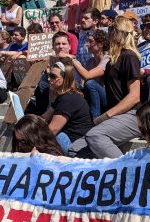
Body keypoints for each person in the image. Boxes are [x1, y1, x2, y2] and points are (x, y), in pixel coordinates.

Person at [68, 16, 142, 158]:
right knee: (74, 149)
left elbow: (134, 97)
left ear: (121, 33)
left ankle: (123, 170)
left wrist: (105, 116)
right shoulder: (113, 59)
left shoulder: (129, 56)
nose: (110, 33)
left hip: (132, 115)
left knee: (95, 136)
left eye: (112, 29)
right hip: (116, 116)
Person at [41, 61, 93, 153]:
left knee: (55, 136)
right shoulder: (62, 97)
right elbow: (43, 118)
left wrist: (31, 141)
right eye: (49, 75)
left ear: (65, 78)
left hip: (76, 147)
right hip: (71, 141)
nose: (49, 79)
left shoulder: (68, 99)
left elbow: (52, 130)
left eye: (53, 76)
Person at [82, 30, 109, 119]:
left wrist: (73, 61)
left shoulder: (107, 58)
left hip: (108, 98)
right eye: (87, 41)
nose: (87, 44)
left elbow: (87, 75)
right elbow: (82, 82)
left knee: (90, 83)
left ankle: (95, 118)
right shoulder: (90, 62)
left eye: (91, 41)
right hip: (94, 98)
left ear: (100, 44)